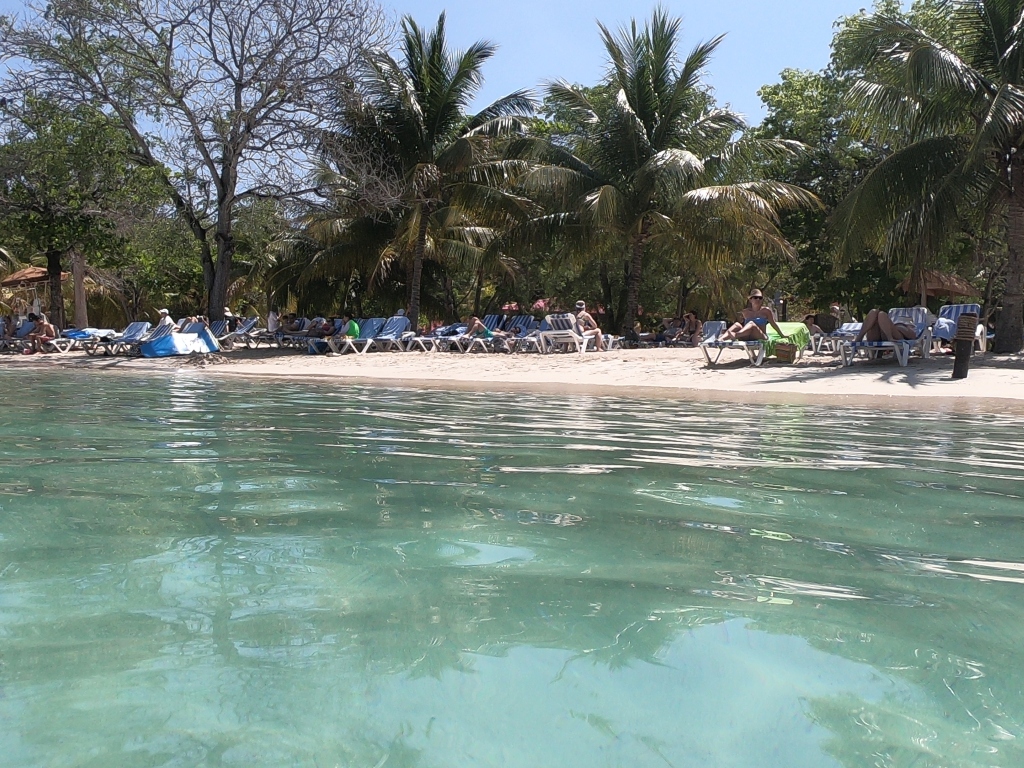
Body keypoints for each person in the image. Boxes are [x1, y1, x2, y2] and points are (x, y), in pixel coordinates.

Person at [717, 289, 788, 341]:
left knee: (751, 324)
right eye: (755, 297)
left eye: (760, 298)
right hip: (747, 336)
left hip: (760, 336)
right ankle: (720, 339)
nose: (758, 299)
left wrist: (782, 335)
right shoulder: (746, 312)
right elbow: (741, 324)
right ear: (750, 300)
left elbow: (773, 324)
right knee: (737, 324)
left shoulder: (766, 311)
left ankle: (735, 335)